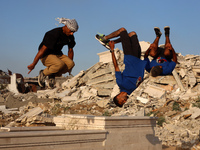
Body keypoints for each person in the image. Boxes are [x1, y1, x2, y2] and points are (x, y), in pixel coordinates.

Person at [95, 28, 147, 107]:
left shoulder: (120, 83)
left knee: (122, 30)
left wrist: (112, 51)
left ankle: (104, 39)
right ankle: (112, 42)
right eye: (124, 102)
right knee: (132, 34)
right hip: (137, 57)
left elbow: (116, 67)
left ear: (118, 96)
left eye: (122, 101)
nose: (125, 101)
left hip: (129, 56)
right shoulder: (132, 90)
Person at [27, 18, 79, 88]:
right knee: (60, 64)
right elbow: (42, 50)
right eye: (71, 31)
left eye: (73, 32)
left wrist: (69, 68)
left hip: (58, 54)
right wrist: (34, 64)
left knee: (71, 64)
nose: (72, 33)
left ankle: (52, 74)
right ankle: (43, 73)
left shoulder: (70, 36)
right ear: (66, 26)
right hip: (46, 55)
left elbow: (70, 50)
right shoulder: (53, 34)